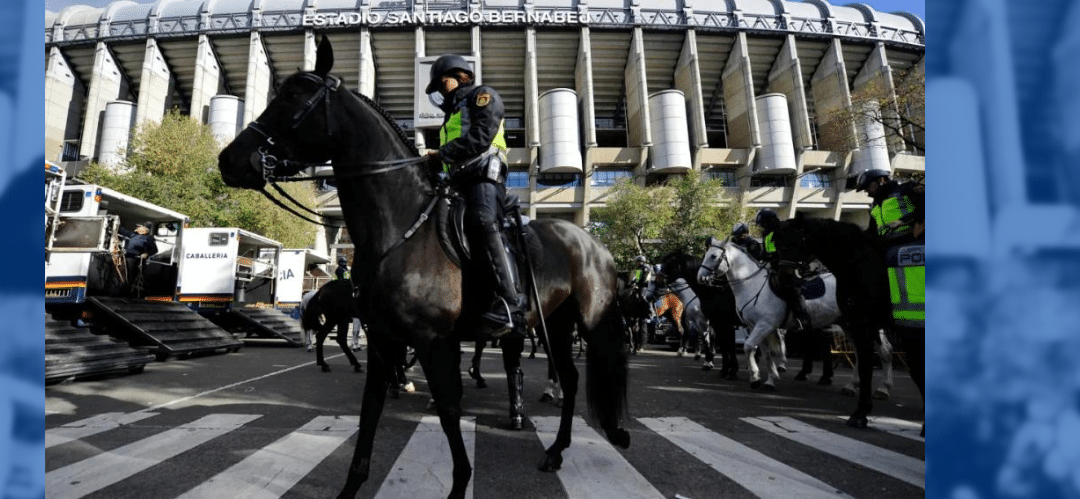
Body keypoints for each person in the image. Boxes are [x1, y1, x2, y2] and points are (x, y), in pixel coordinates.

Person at [425, 54, 525, 340]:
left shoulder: (483, 96)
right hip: (456, 182)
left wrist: (440, 154)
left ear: (461, 75)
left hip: (484, 175)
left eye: (442, 82)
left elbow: (481, 137)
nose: (441, 90)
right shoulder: (450, 115)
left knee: (482, 221)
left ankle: (511, 302)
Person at [856, 169, 925, 330]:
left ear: (881, 181)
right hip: (886, 246)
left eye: (867, 187)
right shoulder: (874, 205)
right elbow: (872, 232)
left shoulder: (906, 190)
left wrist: (904, 221)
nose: (866, 192)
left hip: (912, 240)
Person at [755, 209, 810, 329]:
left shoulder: (782, 229)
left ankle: (801, 316)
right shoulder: (767, 234)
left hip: (788, 265)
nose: (762, 227)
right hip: (773, 266)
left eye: (763, 223)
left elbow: (789, 248)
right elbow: (766, 251)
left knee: (788, 286)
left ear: (768, 221)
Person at [118, 221, 158, 297]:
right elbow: (123, 231)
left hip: (135, 260)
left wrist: (147, 254)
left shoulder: (148, 239)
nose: (137, 228)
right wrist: (117, 224)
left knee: (130, 277)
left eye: (139, 227)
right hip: (126, 257)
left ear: (144, 230)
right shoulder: (133, 235)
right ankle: (120, 293)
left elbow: (154, 250)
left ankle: (127, 295)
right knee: (122, 275)